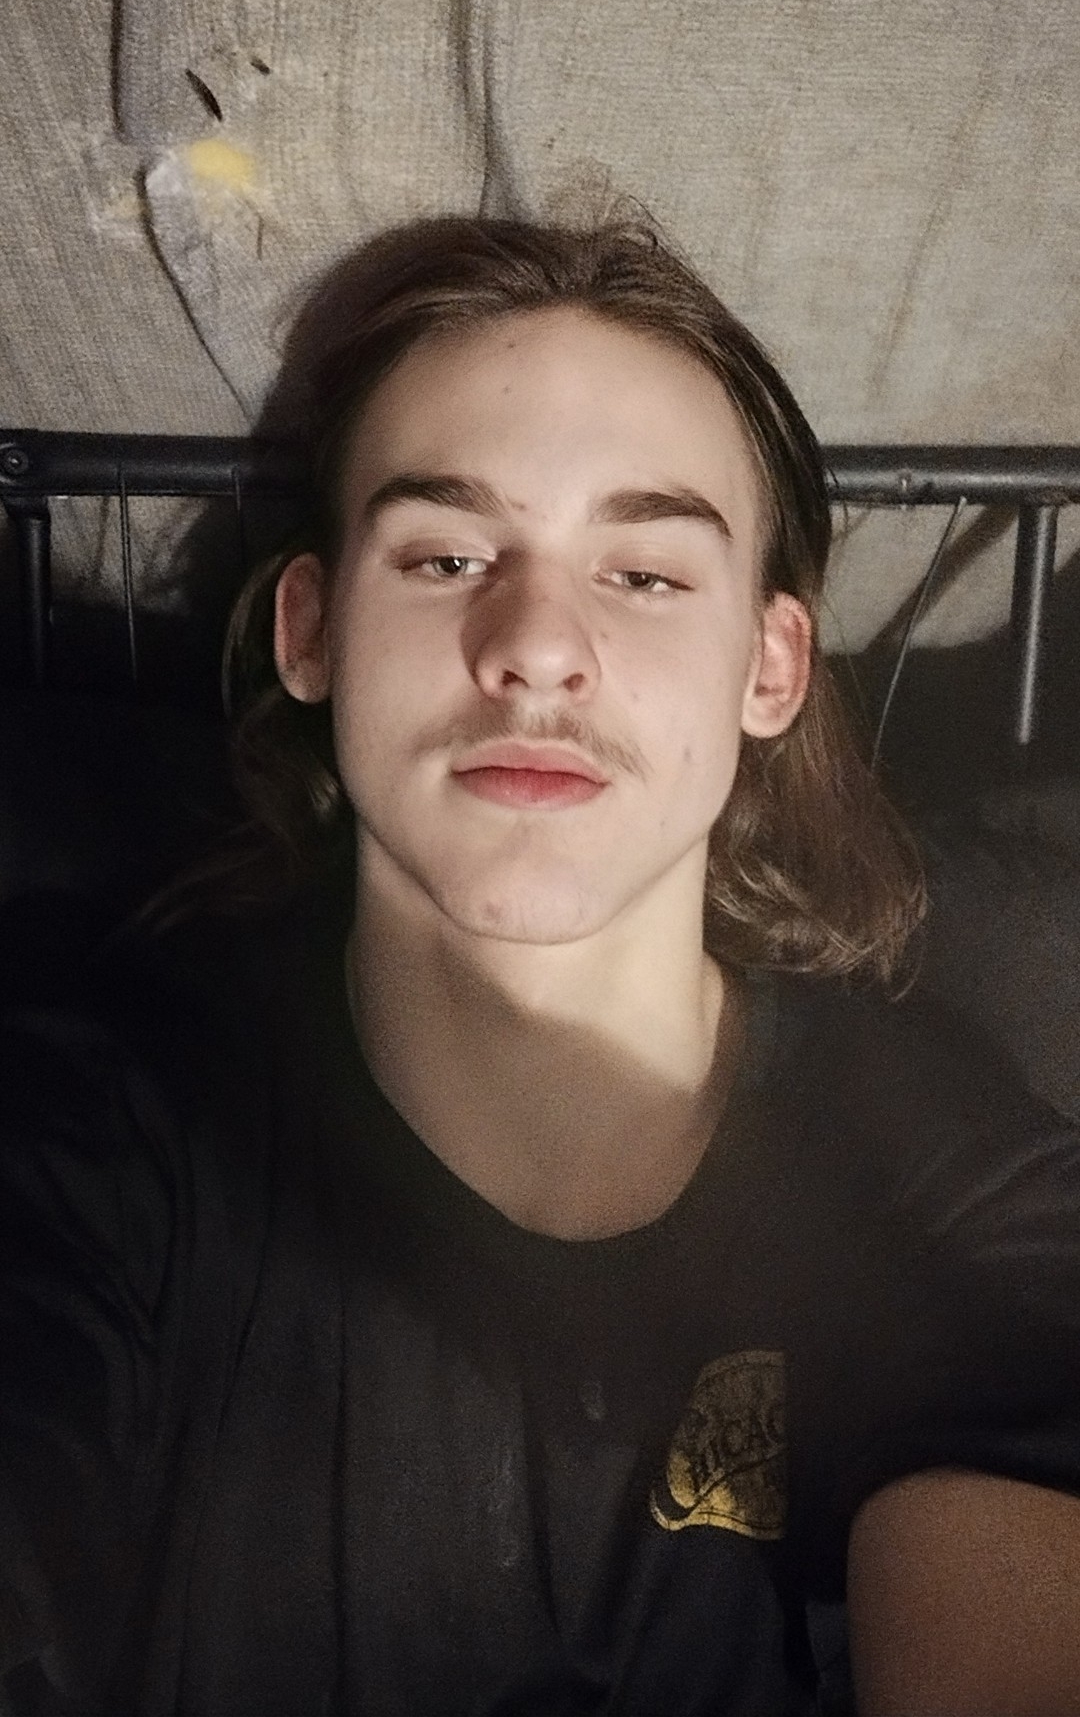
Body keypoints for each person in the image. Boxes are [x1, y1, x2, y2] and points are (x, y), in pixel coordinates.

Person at [3, 211, 1080, 1717]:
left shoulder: (942, 1180)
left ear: (771, 667)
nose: (536, 647)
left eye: (643, 575)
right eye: (446, 555)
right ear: (310, 631)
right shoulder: (95, 1120)